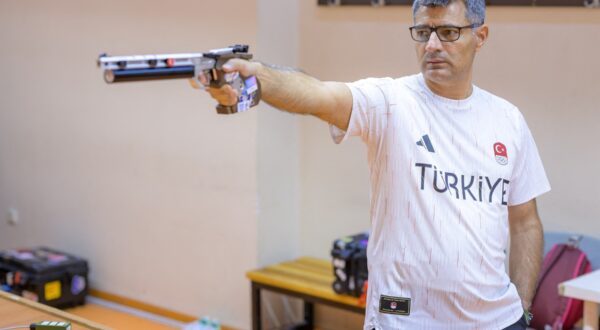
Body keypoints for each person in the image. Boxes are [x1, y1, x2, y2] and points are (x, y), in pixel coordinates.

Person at [198, 0, 551, 328]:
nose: (431, 45)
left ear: (480, 36)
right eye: (423, 32)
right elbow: (317, 94)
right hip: (403, 320)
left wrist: (520, 309)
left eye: (448, 32)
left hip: (496, 321)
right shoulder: (389, 102)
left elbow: (525, 223)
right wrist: (254, 75)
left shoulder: (508, 120)